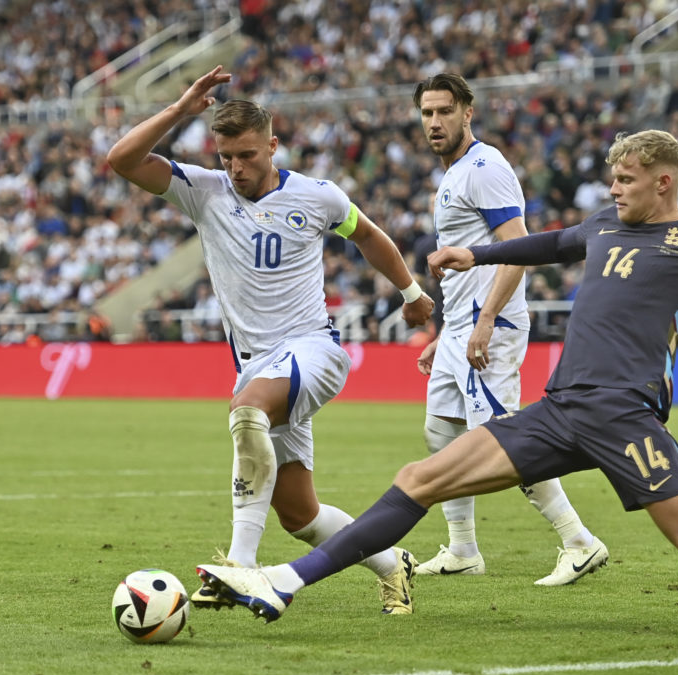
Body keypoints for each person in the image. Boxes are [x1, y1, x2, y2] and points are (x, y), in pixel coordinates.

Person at [196, 129, 678, 648]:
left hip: (626, 416)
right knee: (421, 476)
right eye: (612, 180)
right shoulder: (601, 226)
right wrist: (475, 250)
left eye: (626, 180)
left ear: (664, 181)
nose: (613, 190)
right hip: (563, 407)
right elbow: (545, 243)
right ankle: (284, 582)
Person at [107, 66, 434, 615]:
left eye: (248, 155)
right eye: (226, 155)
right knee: (299, 516)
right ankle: (391, 563)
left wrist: (411, 292)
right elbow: (121, 160)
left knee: (247, 410)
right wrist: (180, 111)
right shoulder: (205, 193)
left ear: (273, 146)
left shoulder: (317, 196)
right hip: (259, 364)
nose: (235, 167)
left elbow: (369, 236)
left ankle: (239, 567)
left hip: (314, 351)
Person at [410, 73, 608, 585]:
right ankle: (462, 550)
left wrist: (484, 321)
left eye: (444, 112)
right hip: (461, 327)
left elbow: (517, 248)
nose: (435, 122)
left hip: (487, 327)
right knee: (441, 432)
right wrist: (447, 333)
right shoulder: (453, 173)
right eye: (427, 113)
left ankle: (580, 541)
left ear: (467, 113)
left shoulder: (484, 167)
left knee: (505, 442)